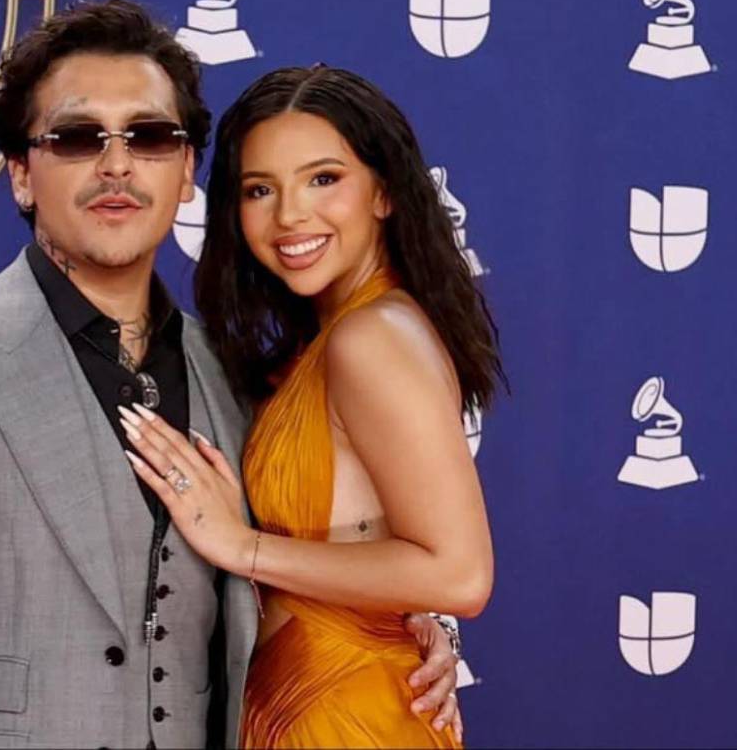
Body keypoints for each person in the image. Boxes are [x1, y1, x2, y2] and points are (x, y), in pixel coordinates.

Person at [0, 3, 462, 749]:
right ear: (21, 174)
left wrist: (411, 621)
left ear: (186, 173)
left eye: (149, 137)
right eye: (77, 138)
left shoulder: (234, 374)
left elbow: (302, 563)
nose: (116, 165)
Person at [119, 65, 501, 748]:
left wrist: (241, 547)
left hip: (349, 714)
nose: (291, 214)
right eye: (260, 189)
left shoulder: (372, 336)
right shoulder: (326, 340)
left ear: (383, 191)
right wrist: (414, 614)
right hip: (305, 700)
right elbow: (375, 541)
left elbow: (459, 573)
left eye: (323, 179)